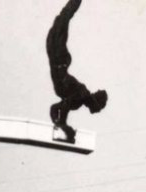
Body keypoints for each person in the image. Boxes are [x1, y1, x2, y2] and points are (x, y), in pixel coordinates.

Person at [45, 0, 108, 144]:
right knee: (64, 17)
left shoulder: (79, 100)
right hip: (59, 59)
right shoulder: (82, 93)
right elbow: (63, 106)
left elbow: (56, 108)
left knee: (63, 19)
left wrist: (59, 123)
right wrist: (62, 124)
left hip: (57, 60)